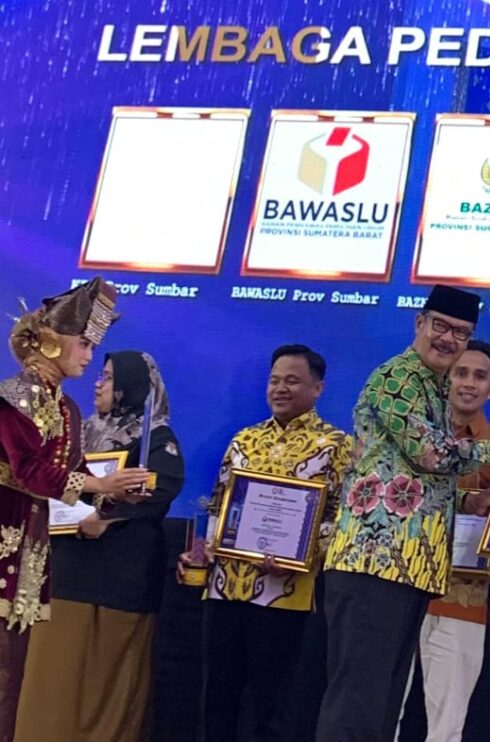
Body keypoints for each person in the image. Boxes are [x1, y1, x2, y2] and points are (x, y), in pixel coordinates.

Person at [316, 285, 490, 742]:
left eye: (461, 332)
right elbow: (431, 453)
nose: (449, 339)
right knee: (357, 705)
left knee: (381, 708)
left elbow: (405, 476)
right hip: (373, 562)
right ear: (419, 322)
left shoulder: (434, 390)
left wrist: (465, 503)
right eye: (441, 326)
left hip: (408, 569)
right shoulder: (398, 378)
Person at [0, 278, 151, 741]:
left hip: (28, 549)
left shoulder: (65, 407)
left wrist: (113, 493)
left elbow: (72, 468)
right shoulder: (15, 396)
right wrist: (98, 483)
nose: (89, 356)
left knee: (12, 671)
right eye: (84, 344)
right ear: (51, 340)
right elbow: (29, 469)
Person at [178, 344, 352, 742]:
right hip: (224, 587)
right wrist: (202, 549)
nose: (280, 388)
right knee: (217, 699)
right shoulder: (244, 440)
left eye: (292, 381)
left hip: (284, 592)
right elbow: (219, 505)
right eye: (274, 381)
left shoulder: (335, 445)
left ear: (318, 388)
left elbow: (342, 518)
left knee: (273, 706)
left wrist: (302, 554)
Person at [15, 350, 185, 742]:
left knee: (105, 686)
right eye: (99, 375)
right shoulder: (80, 433)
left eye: (107, 377)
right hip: (66, 574)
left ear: (130, 385)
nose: (97, 383)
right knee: (52, 679)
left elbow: (160, 489)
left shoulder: (156, 438)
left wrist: (106, 518)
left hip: (119, 583)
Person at [416, 340, 490, 742]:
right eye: (460, 373)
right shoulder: (416, 437)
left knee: (447, 727)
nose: (468, 383)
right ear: (446, 379)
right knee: (380, 710)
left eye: (479, 376)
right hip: (402, 593)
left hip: (463, 600)